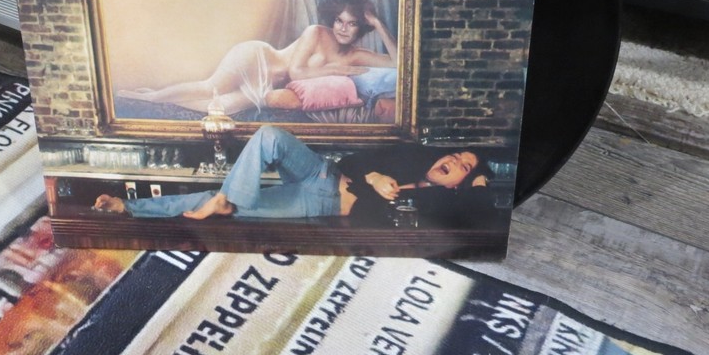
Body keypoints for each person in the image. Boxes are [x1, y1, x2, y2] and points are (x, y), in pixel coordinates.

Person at [93, 125, 492, 227]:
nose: (453, 160)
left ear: (460, 183)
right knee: (269, 135)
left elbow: (478, 214)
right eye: (455, 154)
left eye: (463, 165)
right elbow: (353, 161)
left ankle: (128, 207)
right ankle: (228, 198)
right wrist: (371, 176)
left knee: (214, 204)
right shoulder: (407, 157)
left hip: (318, 203)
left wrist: (480, 186)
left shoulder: (439, 204)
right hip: (322, 172)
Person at [117, 0, 398, 115]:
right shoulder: (316, 32)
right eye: (339, 20)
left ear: (361, 27)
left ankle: (161, 100)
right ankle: (149, 97)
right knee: (209, 87)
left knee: (221, 109)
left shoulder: (357, 55)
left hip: (267, 85)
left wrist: (378, 23)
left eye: (352, 24)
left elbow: (399, 63)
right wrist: (338, 70)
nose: (343, 28)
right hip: (257, 59)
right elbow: (296, 72)